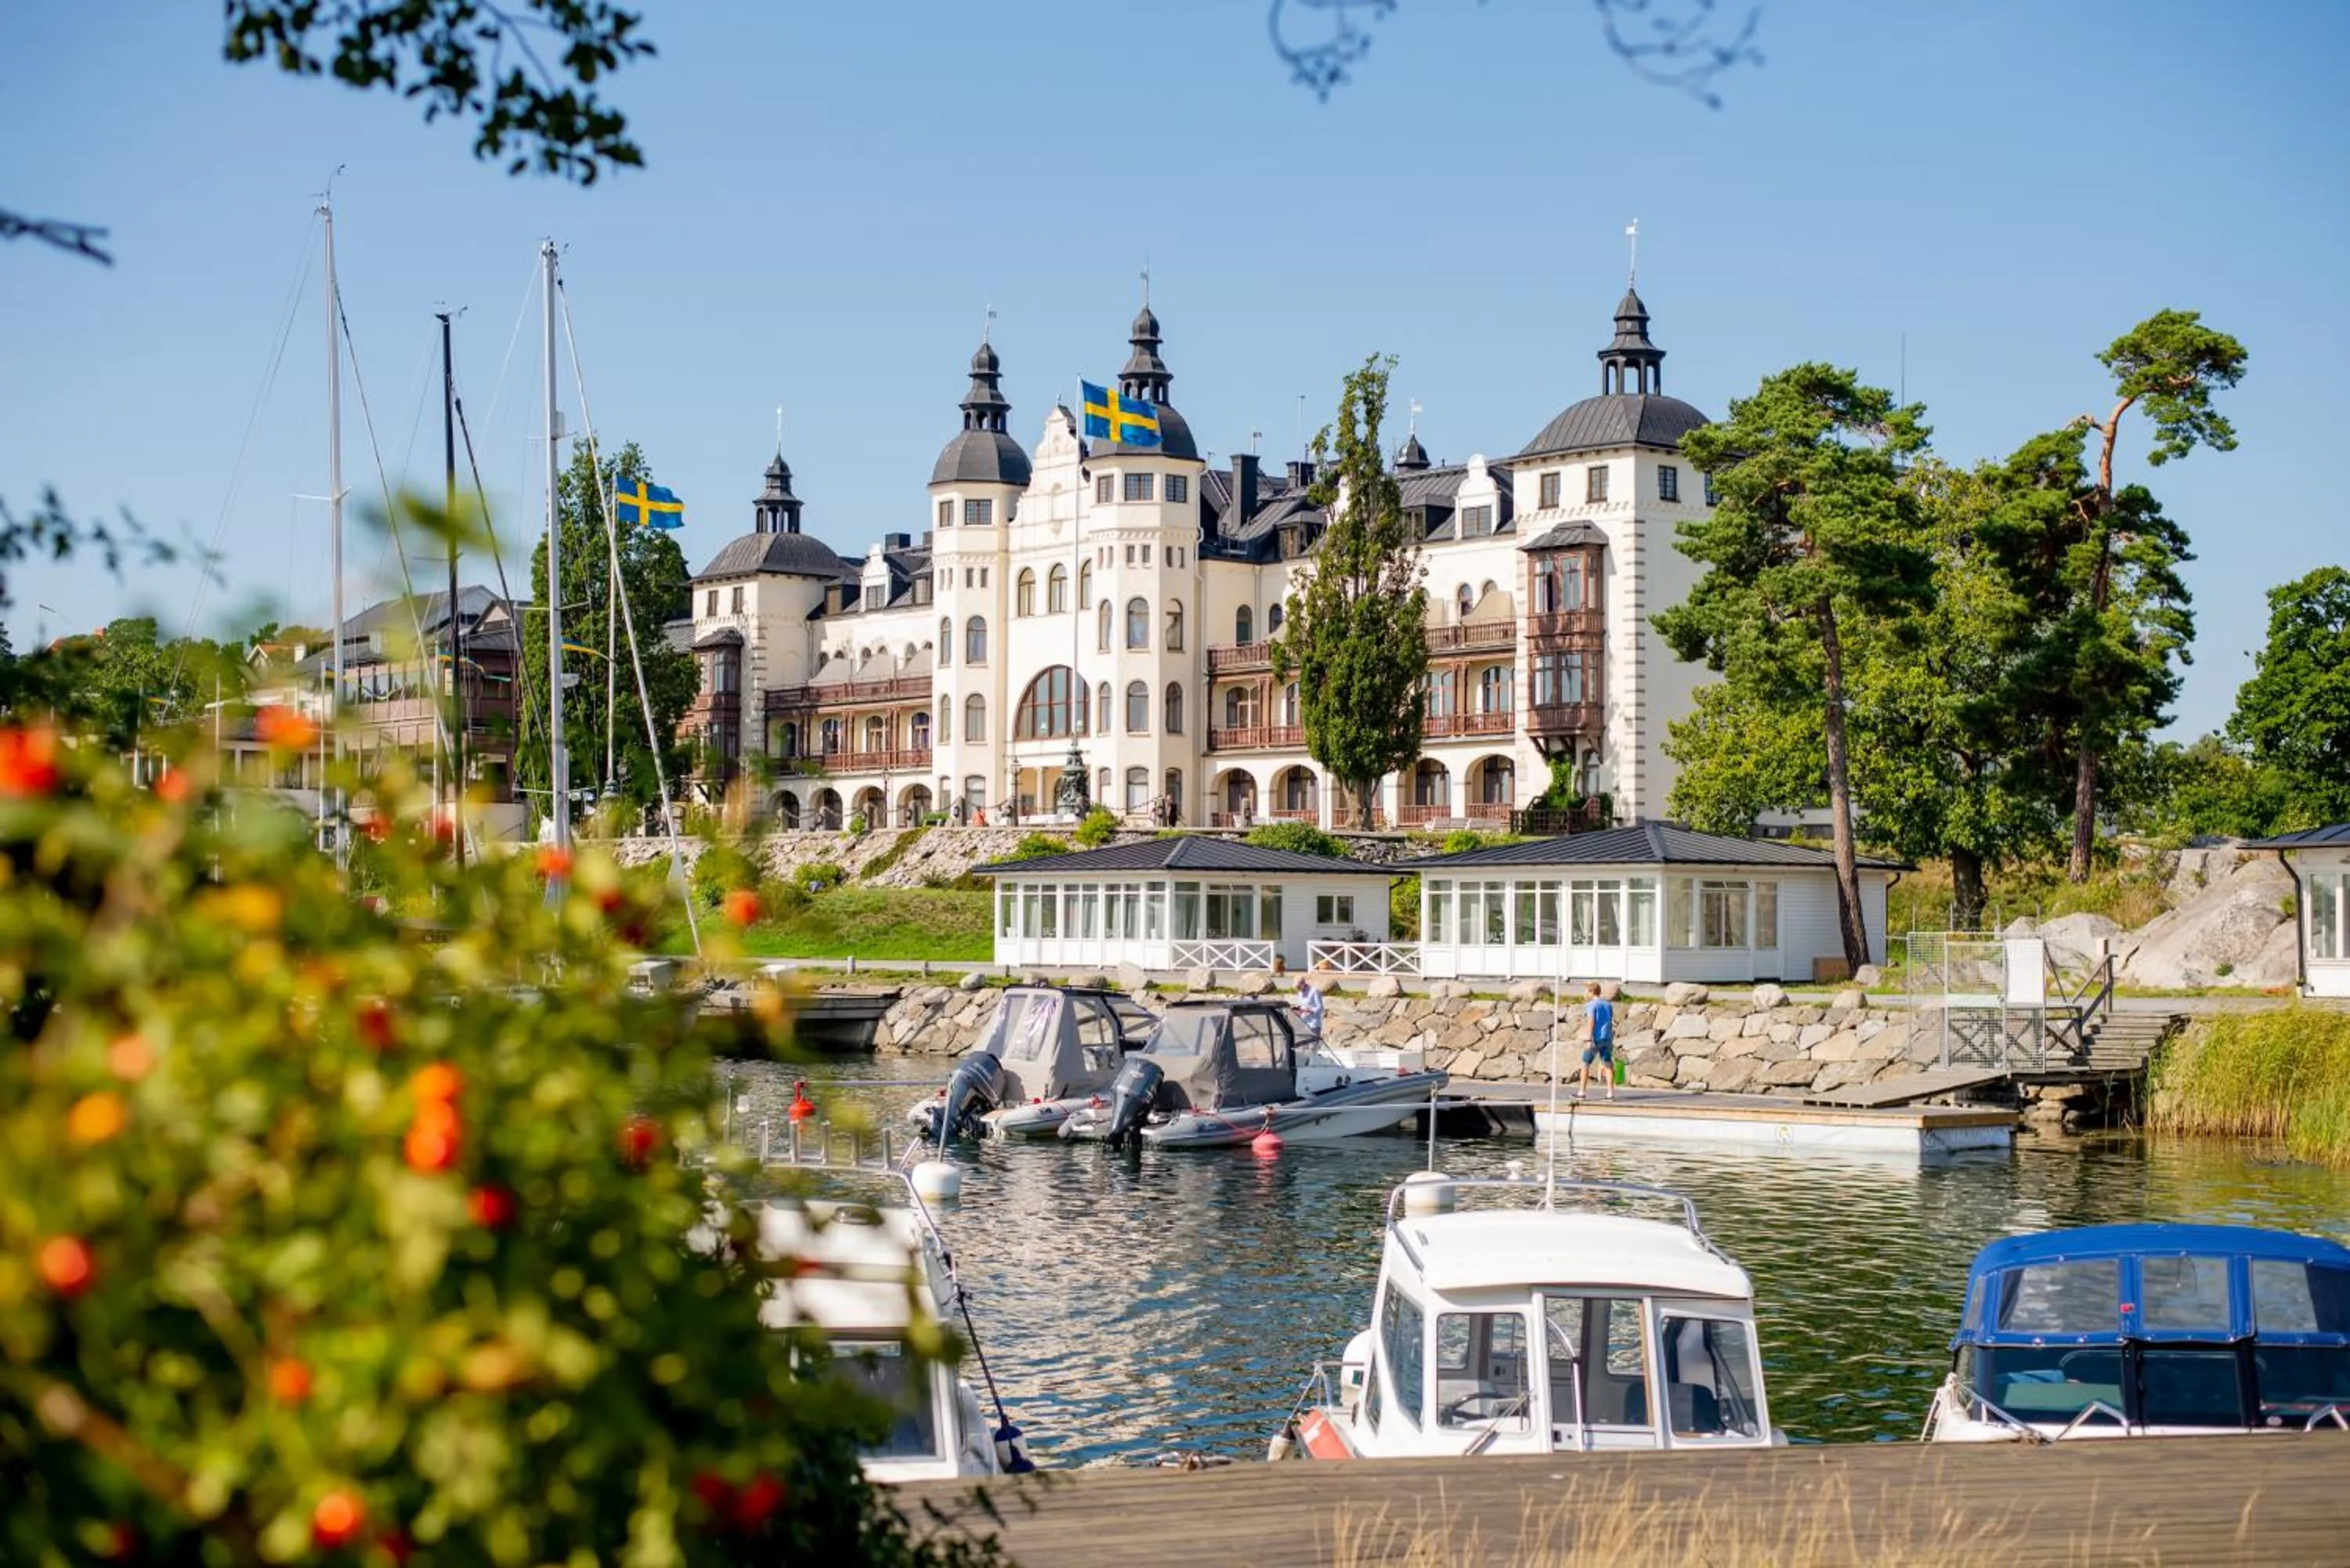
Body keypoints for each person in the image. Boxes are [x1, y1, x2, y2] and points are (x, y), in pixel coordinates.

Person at [1574, 980, 1615, 1101]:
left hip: (1596, 1039)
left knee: (1585, 1063)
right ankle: (1610, 1093)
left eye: (1587, 991)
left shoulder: (1592, 1005)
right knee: (1608, 1065)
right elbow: (1610, 1021)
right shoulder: (1608, 1005)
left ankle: (1581, 1092)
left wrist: (1589, 1039)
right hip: (1607, 1038)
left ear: (1591, 992)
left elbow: (1591, 1022)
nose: (1586, 993)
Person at [1293, 974, 1325, 1041]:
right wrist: (1298, 1009)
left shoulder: (1314, 991)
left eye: (1299, 987)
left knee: (1313, 1045)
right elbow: (1302, 1005)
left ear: (1303, 984)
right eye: (1296, 987)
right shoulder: (1300, 993)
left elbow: (1320, 1007)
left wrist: (1311, 1010)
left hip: (1314, 1024)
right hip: (1304, 1023)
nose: (1297, 989)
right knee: (1304, 1046)